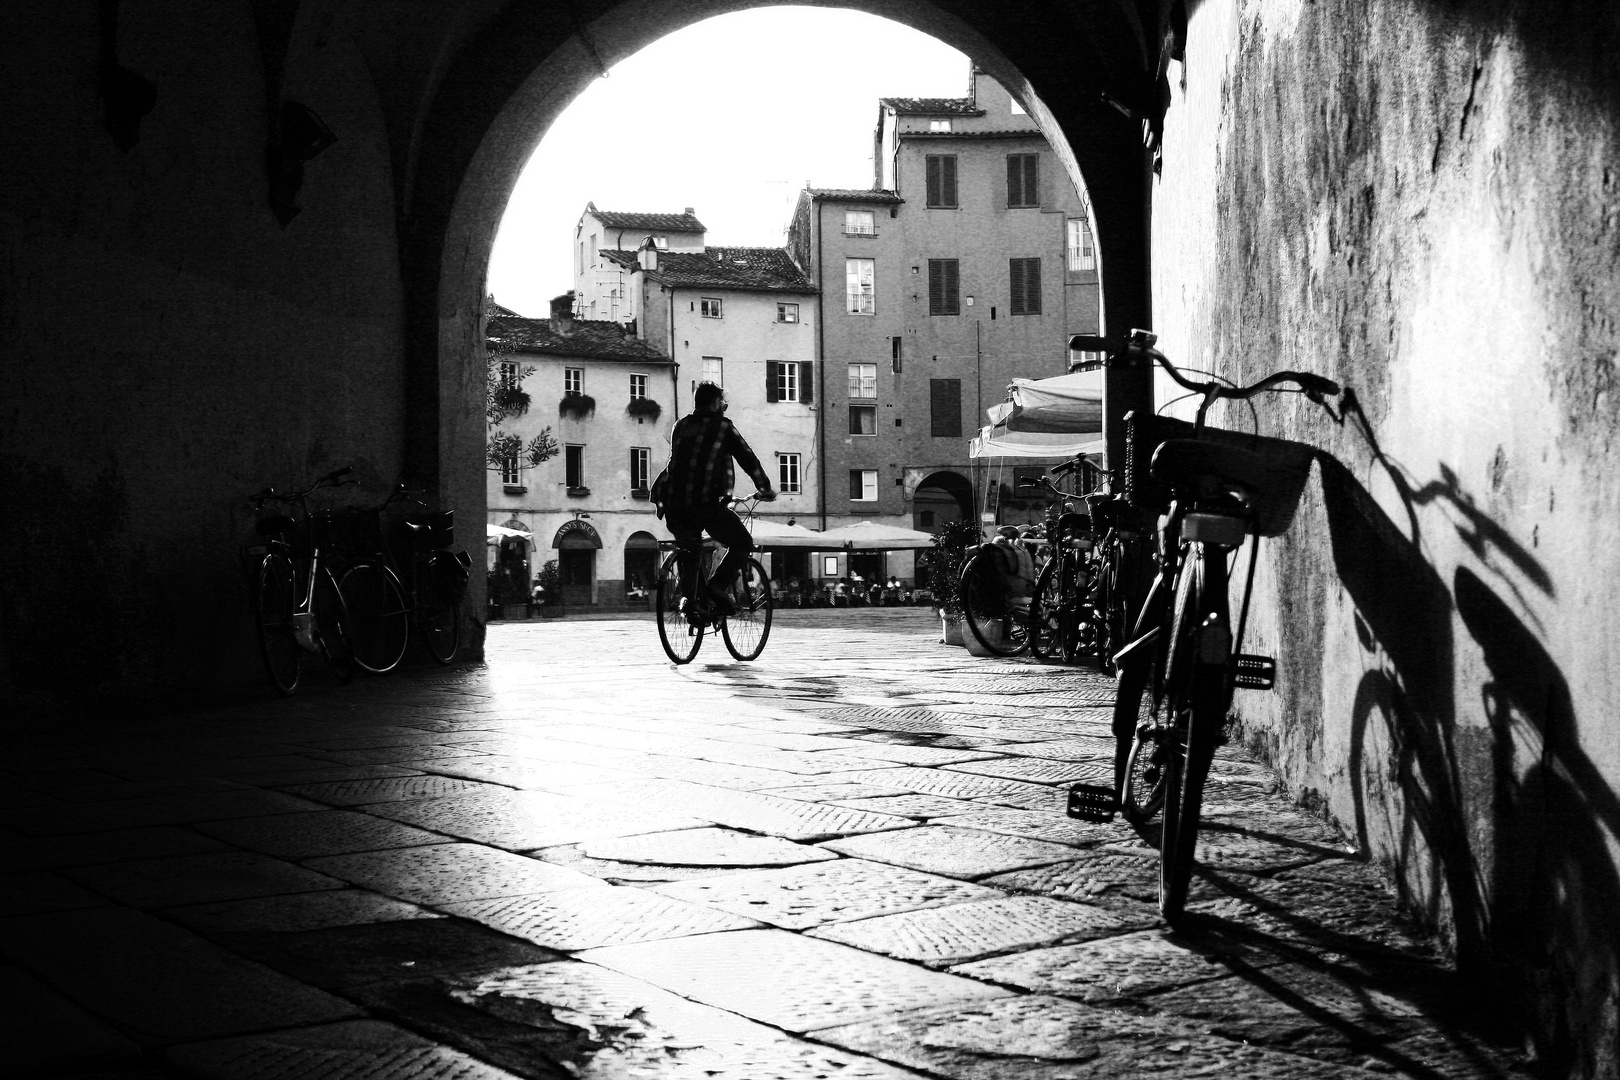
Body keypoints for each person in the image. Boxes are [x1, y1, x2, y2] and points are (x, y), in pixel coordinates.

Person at [655, 382, 775, 615]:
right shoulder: (723, 427)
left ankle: (691, 603)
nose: (724, 406)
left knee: (689, 547)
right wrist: (765, 488)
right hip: (706, 502)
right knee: (742, 543)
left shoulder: (681, 425)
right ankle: (717, 587)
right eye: (722, 401)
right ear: (715, 403)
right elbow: (748, 459)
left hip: (673, 503)